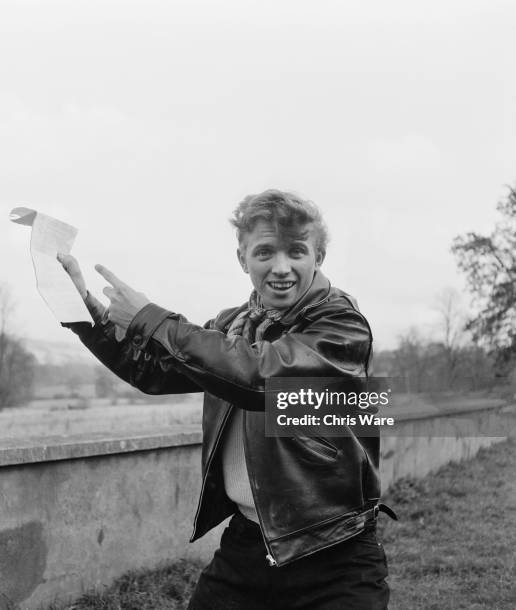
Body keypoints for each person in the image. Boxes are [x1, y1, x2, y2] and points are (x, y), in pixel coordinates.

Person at [58, 189, 394, 609]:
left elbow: (259, 378)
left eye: (297, 251)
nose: (281, 267)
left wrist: (151, 317)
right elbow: (153, 370)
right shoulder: (233, 326)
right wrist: (86, 313)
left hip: (334, 555)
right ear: (243, 259)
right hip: (250, 545)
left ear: (319, 256)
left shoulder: (342, 325)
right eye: (265, 252)